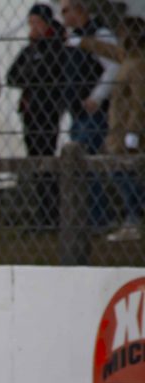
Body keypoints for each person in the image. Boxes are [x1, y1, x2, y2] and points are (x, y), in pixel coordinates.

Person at [73, 15, 145, 243]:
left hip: (127, 132)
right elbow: (110, 51)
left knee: (123, 173)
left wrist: (133, 132)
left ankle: (135, 218)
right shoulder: (129, 58)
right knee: (121, 172)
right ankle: (133, 217)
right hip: (118, 129)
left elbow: (139, 102)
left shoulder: (138, 65)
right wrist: (83, 42)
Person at [6, 4, 68, 231]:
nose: (33, 28)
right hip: (30, 110)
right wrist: (32, 76)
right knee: (35, 162)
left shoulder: (56, 46)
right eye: (31, 23)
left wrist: (32, 76)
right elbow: (12, 76)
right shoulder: (31, 49)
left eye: (37, 23)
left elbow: (48, 74)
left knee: (47, 159)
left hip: (47, 111)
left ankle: (53, 214)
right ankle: (43, 213)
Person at [62, 0, 120, 230]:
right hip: (77, 112)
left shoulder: (99, 34)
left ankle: (99, 218)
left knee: (88, 163)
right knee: (80, 165)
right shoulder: (74, 39)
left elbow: (114, 66)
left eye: (66, 10)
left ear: (80, 10)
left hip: (94, 112)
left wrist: (97, 96)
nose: (63, 16)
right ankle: (89, 217)